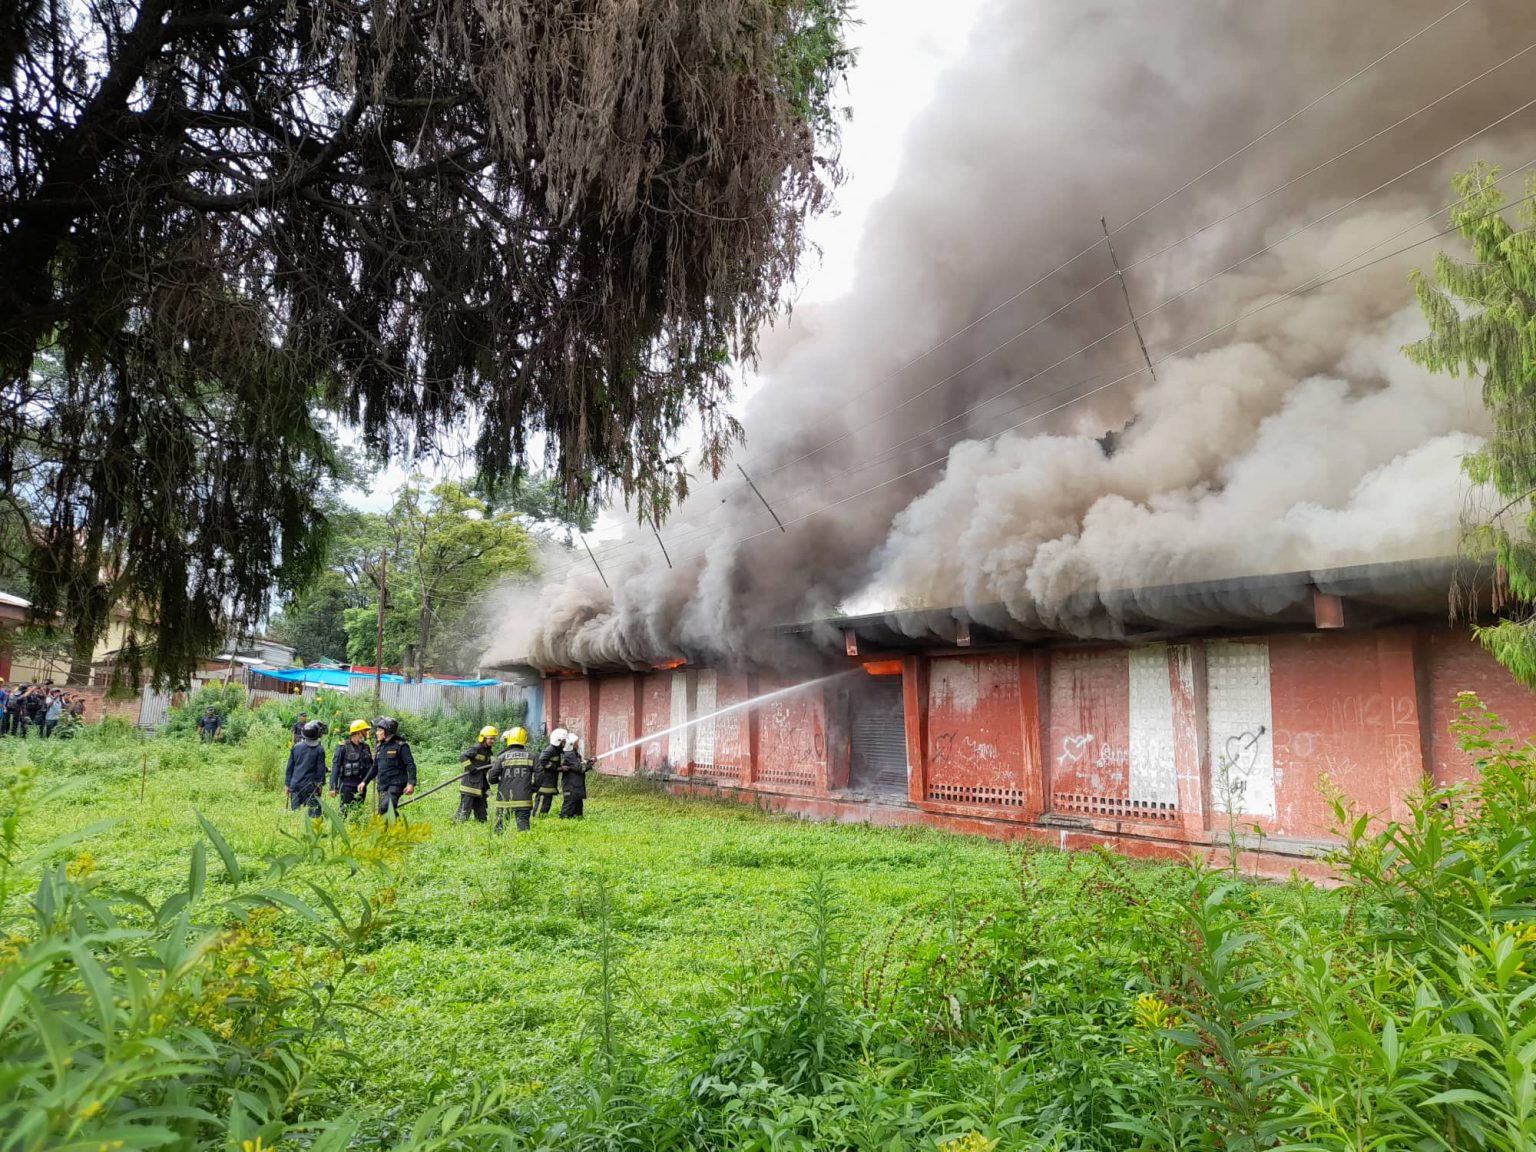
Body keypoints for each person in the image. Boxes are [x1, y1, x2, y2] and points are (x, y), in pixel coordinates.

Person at [488, 727, 536, 833]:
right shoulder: (532, 757)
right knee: (523, 826)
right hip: (524, 798)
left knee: (499, 826)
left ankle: (498, 844)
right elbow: (541, 774)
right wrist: (534, 788)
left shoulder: (502, 757)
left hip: (504, 799)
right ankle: (524, 845)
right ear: (525, 739)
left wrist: (497, 780)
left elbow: (492, 776)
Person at [371, 716, 417, 815]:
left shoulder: (401, 746)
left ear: (387, 731)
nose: (377, 733)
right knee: (384, 812)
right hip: (383, 784)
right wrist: (363, 782)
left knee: (385, 807)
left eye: (379, 730)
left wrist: (411, 783)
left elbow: (410, 765)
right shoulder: (381, 747)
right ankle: (398, 827)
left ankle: (398, 826)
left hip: (396, 784)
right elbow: (375, 767)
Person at [453, 725, 498, 824]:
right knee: (465, 809)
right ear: (483, 738)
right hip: (470, 785)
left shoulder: (488, 752)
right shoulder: (476, 748)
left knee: (482, 809)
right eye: (490, 738)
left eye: (494, 739)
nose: (493, 741)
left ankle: (482, 824)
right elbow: (463, 757)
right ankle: (457, 825)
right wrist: (471, 768)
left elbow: (485, 768)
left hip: (481, 785)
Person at [329, 719, 375, 812]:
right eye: (365, 731)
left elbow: (372, 765)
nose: (366, 733)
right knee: (344, 812)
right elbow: (335, 767)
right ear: (358, 732)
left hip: (361, 785)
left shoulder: (366, 747)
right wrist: (333, 787)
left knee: (358, 812)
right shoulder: (343, 747)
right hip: (347, 785)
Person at [284, 720, 327, 817]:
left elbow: (289, 767)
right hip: (310, 787)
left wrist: (287, 784)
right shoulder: (319, 750)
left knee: (295, 815)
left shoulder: (296, 747)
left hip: (295, 785)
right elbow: (320, 771)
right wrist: (320, 785)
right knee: (314, 816)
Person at [533, 727, 566, 818]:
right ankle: (537, 818)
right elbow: (542, 760)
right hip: (544, 782)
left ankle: (542, 818)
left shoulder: (557, 750)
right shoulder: (550, 750)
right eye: (563, 741)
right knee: (542, 801)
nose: (565, 743)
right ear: (558, 741)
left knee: (547, 802)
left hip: (549, 781)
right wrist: (557, 768)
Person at [558, 731, 589, 819]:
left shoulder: (574, 754)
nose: (577, 744)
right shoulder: (569, 755)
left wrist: (588, 762)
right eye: (576, 742)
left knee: (578, 803)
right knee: (569, 803)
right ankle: (564, 819)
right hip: (571, 786)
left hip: (576, 785)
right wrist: (589, 766)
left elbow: (580, 764)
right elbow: (579, 768)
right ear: (571, 744)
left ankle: (577, 818)